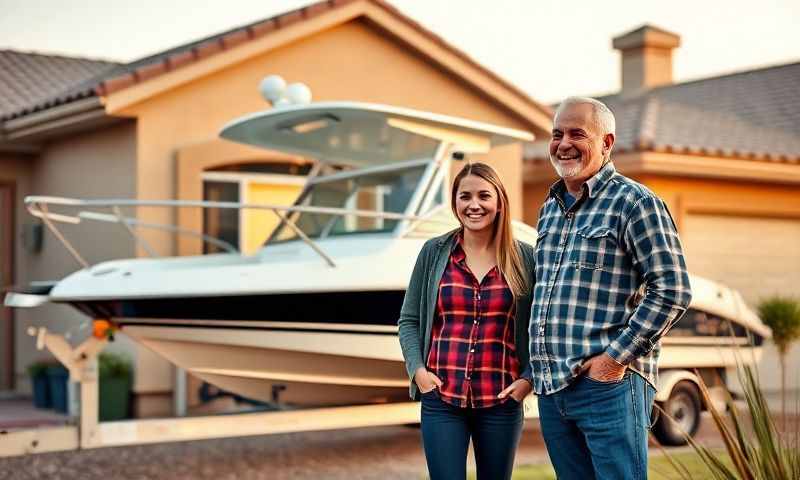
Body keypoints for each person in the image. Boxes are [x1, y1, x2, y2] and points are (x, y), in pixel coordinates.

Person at [531, 96, 693, 479]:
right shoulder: (549, 209)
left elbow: (672, 289)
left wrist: (612, 362)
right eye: (557, 134)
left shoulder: (635, 202)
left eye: (576, 134)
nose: (563, 143)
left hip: (608, 387)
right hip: (553, 389)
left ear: (607, 143)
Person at [397, 162, 535, 480]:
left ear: (499, 201)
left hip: (501, 400)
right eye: (465, 196)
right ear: (455, 202)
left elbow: (542, 327)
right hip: (441, 399)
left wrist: (529, 378)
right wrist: (418, 371)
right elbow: (409, 320)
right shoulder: (434, 252)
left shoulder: (526, 258)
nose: (474, 204)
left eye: (484, 195)